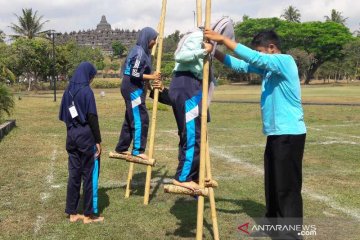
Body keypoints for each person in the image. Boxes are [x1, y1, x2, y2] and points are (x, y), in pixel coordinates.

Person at [205, 29, 306, 239]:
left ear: (271, 48)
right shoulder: (269, 69)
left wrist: (223, 39)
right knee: (273, 184)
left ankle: (290, 235)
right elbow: (242, 65)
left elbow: (254, 58)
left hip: (289, 135)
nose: (258, 55)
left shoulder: (284, 61)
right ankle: (272, 224)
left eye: (261, 51)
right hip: (276, 135)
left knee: (287, 188)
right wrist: (215, 52)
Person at [169, 17, 234, 191]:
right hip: (187, 86)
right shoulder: (199, 38)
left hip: (191, 87)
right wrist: (203, 51)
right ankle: (183, 177)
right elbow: (180, 57)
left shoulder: (207, 42)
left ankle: (195, 175)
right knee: (192, 135)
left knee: (194, 133)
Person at [59, 62, 103, 224]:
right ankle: (88, 215)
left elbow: (64, 116)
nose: (91, 79)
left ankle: (72, 213)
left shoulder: (68, 91)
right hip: (86, 139)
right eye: (92, 76)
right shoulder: (87, 92)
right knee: (90, 175)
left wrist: (73, 131)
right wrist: (97, 140)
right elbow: (92, 117)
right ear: (87, 75)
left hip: (71, 137)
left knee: (74, 175)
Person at [114, 27, 161, 160]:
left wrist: (150, 83)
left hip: (132, 87)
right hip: (132, 88)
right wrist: (152, 77)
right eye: (154, 39)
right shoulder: (139, 52)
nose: (155, 42)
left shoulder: (142, 52)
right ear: (147, 38)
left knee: (130, 118)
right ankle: (138, 150)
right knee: (141, 118)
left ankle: (122, 148)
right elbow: (134, 73)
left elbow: (139, 72)